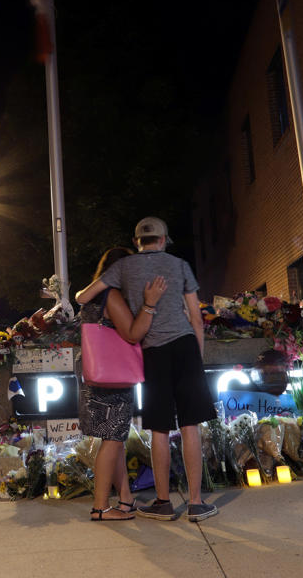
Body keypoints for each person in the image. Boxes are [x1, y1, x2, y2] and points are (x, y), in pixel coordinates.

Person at [75, 216, 218, 522]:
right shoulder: (180, 265)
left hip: (153, 353)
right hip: (184, 347)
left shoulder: (123, 268)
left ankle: (163, 503)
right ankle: (195, 502)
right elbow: (195, 316)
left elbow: (83, 297)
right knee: (190, 425)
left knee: (160, 429)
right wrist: (198, 355)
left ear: (137, 242)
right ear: (163, 239)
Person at [75, 247, 167, 521]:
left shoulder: (95, 295)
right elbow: (132, 333)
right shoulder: (112, 296)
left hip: (97, 372)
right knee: (113, 439)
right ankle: (100, 507)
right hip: (111, 376)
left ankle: (124, 499)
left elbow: (80, 297)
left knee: (112, 439)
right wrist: (150, 305)